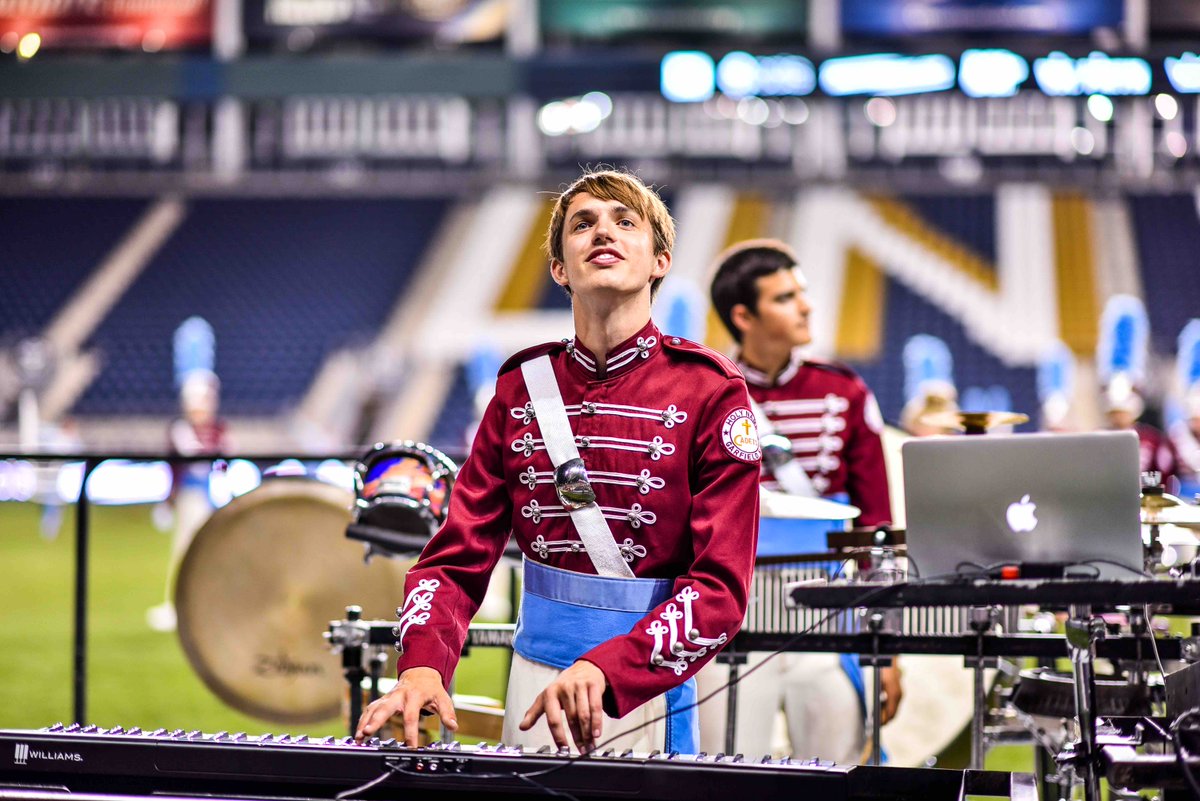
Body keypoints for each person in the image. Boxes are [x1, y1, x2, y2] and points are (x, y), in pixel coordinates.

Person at [355, 169, 761, 755]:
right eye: (583, 224)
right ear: (559, 269)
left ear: (660, 262)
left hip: (640, 686)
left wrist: (612, 668)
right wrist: (421, 667)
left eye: (626, 222)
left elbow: (720, 589)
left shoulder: (710, 390)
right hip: (532, 682)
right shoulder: (523, 386)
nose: (604, 232)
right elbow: (455, 556)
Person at [704, 238, 900, 762]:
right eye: (786, 297)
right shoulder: (706, 392)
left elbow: (876, 527)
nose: (807, 306)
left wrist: (885, 651)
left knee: (836, 777)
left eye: (802, 293)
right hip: (731, 616)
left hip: (828, 616)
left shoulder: (845, 390)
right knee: (726, 777)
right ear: (743, 315)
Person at [147, 369, 229, 632]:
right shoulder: (182, 430)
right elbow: (182, 463)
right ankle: (177, 606)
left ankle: (211, 606)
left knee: (213, 553)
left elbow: (224, 462)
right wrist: (168, 500)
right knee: (183, 550)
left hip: (212, 497)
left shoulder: (217, 430)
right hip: (191, 497)